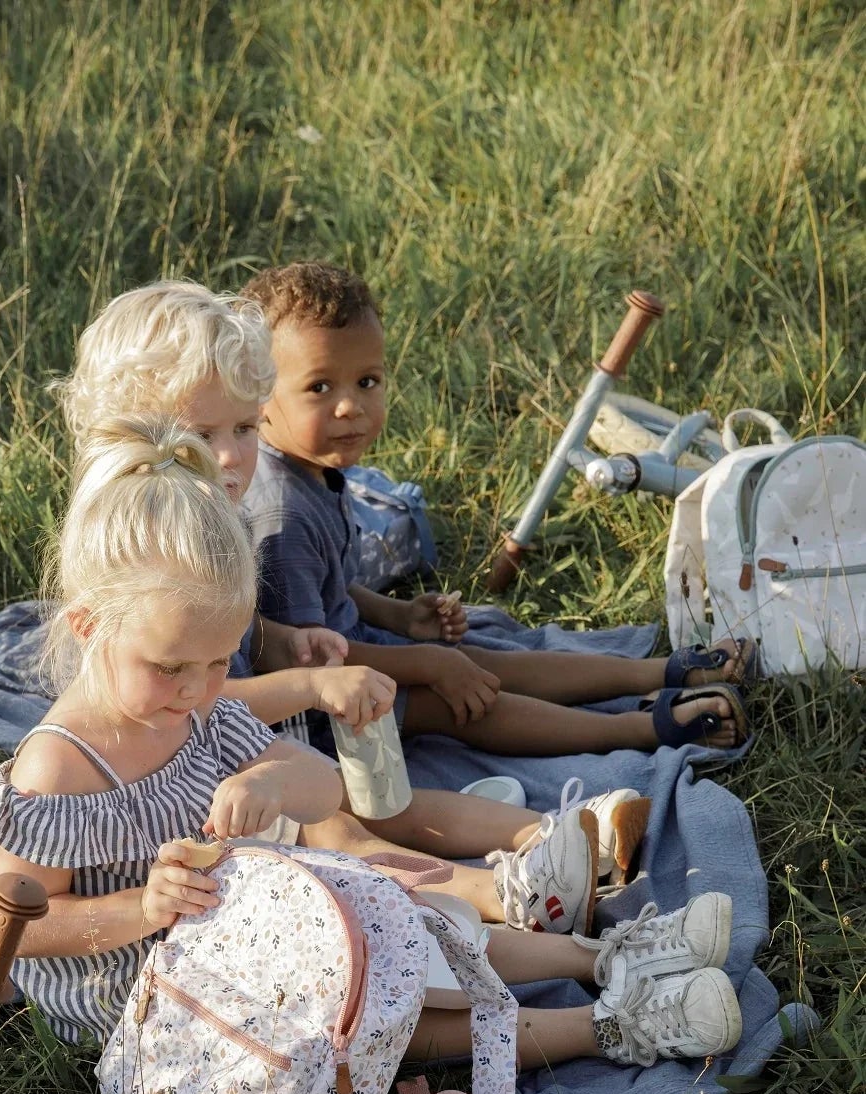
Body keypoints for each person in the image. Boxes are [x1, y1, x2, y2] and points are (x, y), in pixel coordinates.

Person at [0, 416, 745, 1078]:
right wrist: (142, 908)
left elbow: (324, 793)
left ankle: (593, 958)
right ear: (90, 625)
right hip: (151, 990)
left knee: (386, 911)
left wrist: (269, 778)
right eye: (170, 667)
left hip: (246, 927)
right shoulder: (58, 767)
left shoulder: (187, 709)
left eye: (215, 660)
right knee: (357, 1003)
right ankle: (612, 1028)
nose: (199, 688)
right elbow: (22, 929)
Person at [54, 277, 654, 929]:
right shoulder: (142, 545)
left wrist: (283, 641)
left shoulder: (204, 512)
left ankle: (559, 841)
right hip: (178, 771)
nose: (228, 455)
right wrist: (308, 683)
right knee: (342, 831)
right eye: (201, 433)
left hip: (240, 736)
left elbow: (219, 638)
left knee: (366, 798)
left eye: (245, 426)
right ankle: (507, 895)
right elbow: (179, 695)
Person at [240, 260, 756, 790]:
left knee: (474, 662)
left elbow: (327, 592)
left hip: (355, 654)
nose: (351, 406)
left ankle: (660, 672)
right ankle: (641, 728)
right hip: (325, 713)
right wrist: (426, 665)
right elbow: (305, 657)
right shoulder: (282, 515)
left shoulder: (313, 469)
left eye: (367, 381)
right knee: (464, 701)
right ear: (257, 398)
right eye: (320, 387)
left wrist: (399, 618)